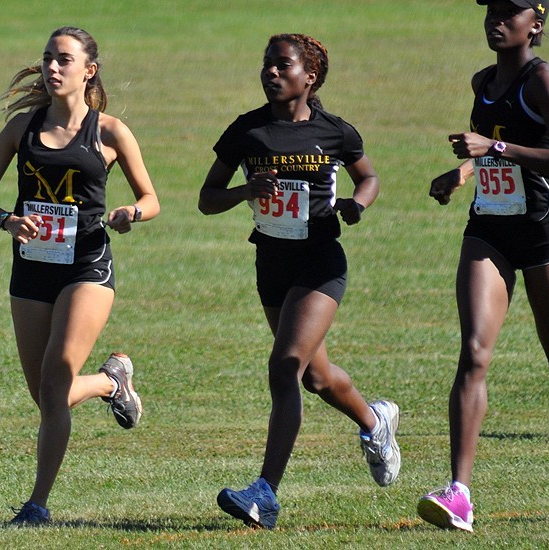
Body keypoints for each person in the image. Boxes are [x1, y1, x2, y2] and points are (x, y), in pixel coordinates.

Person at [197, 33, 400, 530]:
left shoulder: (335, 131)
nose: (270, 72)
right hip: (271, 264)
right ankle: (376, 423)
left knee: (285, 366)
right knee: (314, 376)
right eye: (266, 64)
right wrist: (247, 188)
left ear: (308, 78)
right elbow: (207, 197)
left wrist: (358, 204)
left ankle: (263, 495)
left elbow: (368, 177)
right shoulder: (247, 131)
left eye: (281, 66)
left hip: (319, 264)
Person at [0, 26, 160, 526]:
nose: (53, 67)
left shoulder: (111, 131)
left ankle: (36, 506)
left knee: (54, 390)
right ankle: (111, 383)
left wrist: (130, 214)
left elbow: (151, 199)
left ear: (88, 71)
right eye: (49, 58)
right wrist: (6, 219)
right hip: (31, 270)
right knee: (46, 395)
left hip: (86, 268)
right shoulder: (21, 130)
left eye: (65, 60)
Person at [420, 0, 549, 533]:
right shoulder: (483, 80)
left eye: (510, 10)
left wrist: (496, 145)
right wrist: (464, 171)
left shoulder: (542, 81)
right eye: (491, 9)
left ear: (537, 22)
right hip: (489, 229)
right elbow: (489, 152)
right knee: (475, 352)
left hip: (541, 229)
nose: (496, 18)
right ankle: (460, 493)